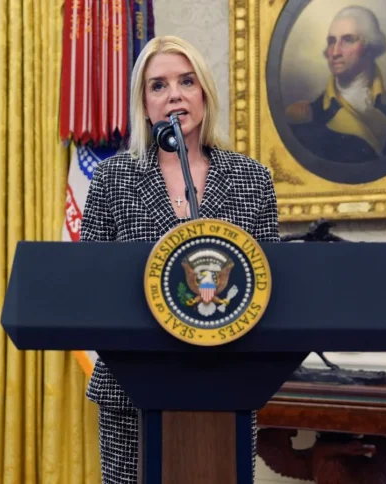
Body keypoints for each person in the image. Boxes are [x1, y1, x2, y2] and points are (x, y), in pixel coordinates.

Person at [80, 35, 280, 483]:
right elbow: (87, 285)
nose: (174, 95)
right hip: (131, 392)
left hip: (227, 387)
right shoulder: (113, 178)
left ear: (204, 93)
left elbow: (273, 283)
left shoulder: (252, 179)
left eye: (186, 81)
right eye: (158, 85)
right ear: (144, 104)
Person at [286, 6, 386, 163]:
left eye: (348, 40)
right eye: (331, 41)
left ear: (370, 47)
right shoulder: (304, 117)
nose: (335, 52)